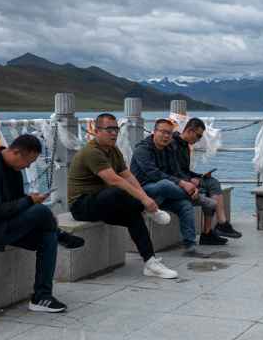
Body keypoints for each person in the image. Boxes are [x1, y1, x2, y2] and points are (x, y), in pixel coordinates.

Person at [0, 134, 84, 313]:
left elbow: (16, 203)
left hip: (2, 225)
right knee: (41, 212)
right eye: (29, 161)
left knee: (47, 236)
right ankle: (61, 235)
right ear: (17, 153)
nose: (28, 166)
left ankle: (41, 296)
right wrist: (30, 201)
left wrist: (31, 201)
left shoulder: (13, 168)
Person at [68, 113, 179, 279]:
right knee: (117, 191)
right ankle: (149, 211)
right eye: (109, 130)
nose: (114, 133)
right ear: (96, 131)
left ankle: (150, 263)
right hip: (81, 205)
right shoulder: (92, 152)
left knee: (133, 215)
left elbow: (128, 176)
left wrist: (145, 197)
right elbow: (114, 180)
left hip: (103, 202)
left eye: (116, 129)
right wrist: (144, 201)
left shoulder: (114, 150)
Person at [131, 119, 228, 255]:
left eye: (169, 133)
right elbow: (154, 174)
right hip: (144, 192)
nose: (166, 136)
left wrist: (189, 184)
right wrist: (183, 185)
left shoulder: (169, 148)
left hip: (167, 195)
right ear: (154, 132)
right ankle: (198, 198)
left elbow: (176, 172)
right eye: (163, 132)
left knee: (185, 205)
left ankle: (190, 246)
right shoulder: (142, 149)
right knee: (164, 184)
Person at [172, 117, 242, 239]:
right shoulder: (173, 145)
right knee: (208, 188)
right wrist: (189, 180)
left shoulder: (185, 146)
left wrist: (199, 176)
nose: (199, 139)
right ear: (189, 131)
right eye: (198, 136)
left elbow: (184, 170)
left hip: (184, 178)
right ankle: (217, 227)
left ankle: (212, 230)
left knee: (212, 182)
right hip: (178, 181)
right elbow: (172, 170)